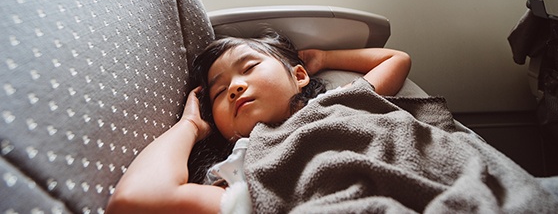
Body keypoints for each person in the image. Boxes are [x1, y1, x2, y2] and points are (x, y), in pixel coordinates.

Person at [105, 31, 411, 214]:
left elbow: (396, 60)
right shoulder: (241, 172)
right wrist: (190, 126)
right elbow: (135, 200)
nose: (235, 87)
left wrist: (324, 57)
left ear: (300, 75)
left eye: (249, 67)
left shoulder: (334, 103)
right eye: (220, 91)